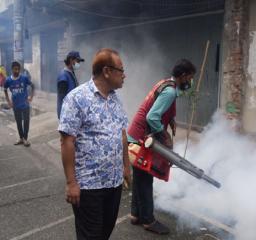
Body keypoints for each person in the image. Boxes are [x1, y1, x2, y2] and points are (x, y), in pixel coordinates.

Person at [58, 48, 130, 240]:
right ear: (107, 71)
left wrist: (126, 166)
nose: (125, 75)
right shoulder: (76, 98)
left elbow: (122, 134)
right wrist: (71, 183)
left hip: (113, 183)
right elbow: (67, 141)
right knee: (90, 236)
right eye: (121, 70)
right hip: (89, 187)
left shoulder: (115, 99)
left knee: (104, 233)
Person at [127, 59, 196, 235]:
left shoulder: (166, 82)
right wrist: (165, 137)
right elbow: (152, 117)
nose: (190, 81)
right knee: (145, 178)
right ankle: (148, 220)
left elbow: (165, 106)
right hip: (142, 136)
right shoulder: (170, 91)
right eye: (190, 77)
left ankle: (135, 214)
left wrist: (171, 120)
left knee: (139, 174)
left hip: (136, 134)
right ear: (182, 76)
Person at [4, 61, 34, 147]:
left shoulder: (24, 78)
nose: (16, 71)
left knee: (26, 122)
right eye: (15, 69)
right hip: (16, 105)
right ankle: (21, 138)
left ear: (20, 69)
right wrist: (8, 101)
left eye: (18, 69)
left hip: (25, 104)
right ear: (12, 69)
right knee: (18, 122)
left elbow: (32, 86)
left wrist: (31, 97)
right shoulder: (8, 80)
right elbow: (5, 89)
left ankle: (25, 139)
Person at [57, 51, 84, 118]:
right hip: (66, 114)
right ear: (71, 60)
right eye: (77, 61)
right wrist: (63, 115)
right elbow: (62, 98)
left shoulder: (71, 73)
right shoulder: (63, 77)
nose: (79, 63)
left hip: (71, 112)